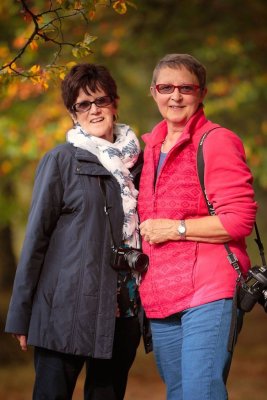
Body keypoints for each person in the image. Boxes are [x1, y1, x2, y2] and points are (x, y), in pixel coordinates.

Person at [5, 63, 149, 400]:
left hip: (123, 310)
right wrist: (20, 316)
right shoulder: (61, 161)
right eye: (82, 104)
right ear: (73, 113)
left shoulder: (139, 166)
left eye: (100, 100)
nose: (93, 110)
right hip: (65, 310)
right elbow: (36, 238)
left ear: (115, 103)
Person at [138, 53, 257, 400]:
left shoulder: (217, 140)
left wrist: (176, 229)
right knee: (178, 393)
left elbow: (238, 220)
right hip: (161, 293)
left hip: (209, 289)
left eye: (185, 88)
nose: (175, 96)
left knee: (199, 393)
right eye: (166, 87)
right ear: (153, 92)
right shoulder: (151, 149)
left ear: (201, 93)